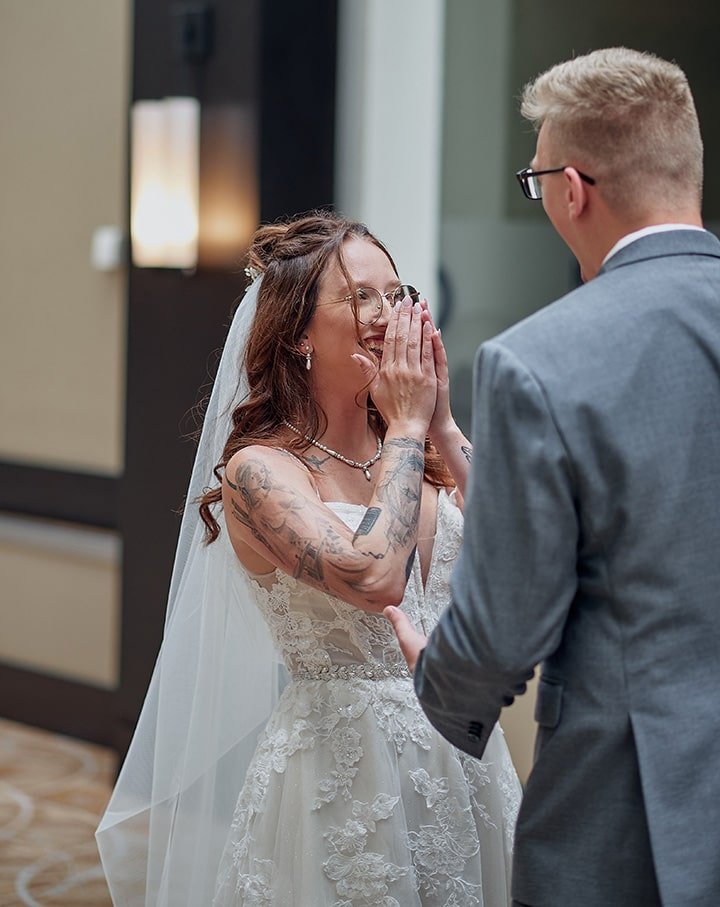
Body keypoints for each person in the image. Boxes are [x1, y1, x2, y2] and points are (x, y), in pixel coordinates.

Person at [96, 212, 521, 906]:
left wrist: (440, 420)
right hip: (347, 777)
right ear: (298, 333)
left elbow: (517, 542)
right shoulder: (259, 471)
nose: (388, 314)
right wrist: (408, 426)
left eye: (396, 294)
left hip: (464, 754)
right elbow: (374, 576)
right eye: (361, 297)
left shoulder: (421, 448)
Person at [386, 47, 720, 907]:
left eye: (537, 182)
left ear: (573, 190)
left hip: (627, 809)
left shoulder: (539, 360)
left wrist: (439, 677)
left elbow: (505, 625)